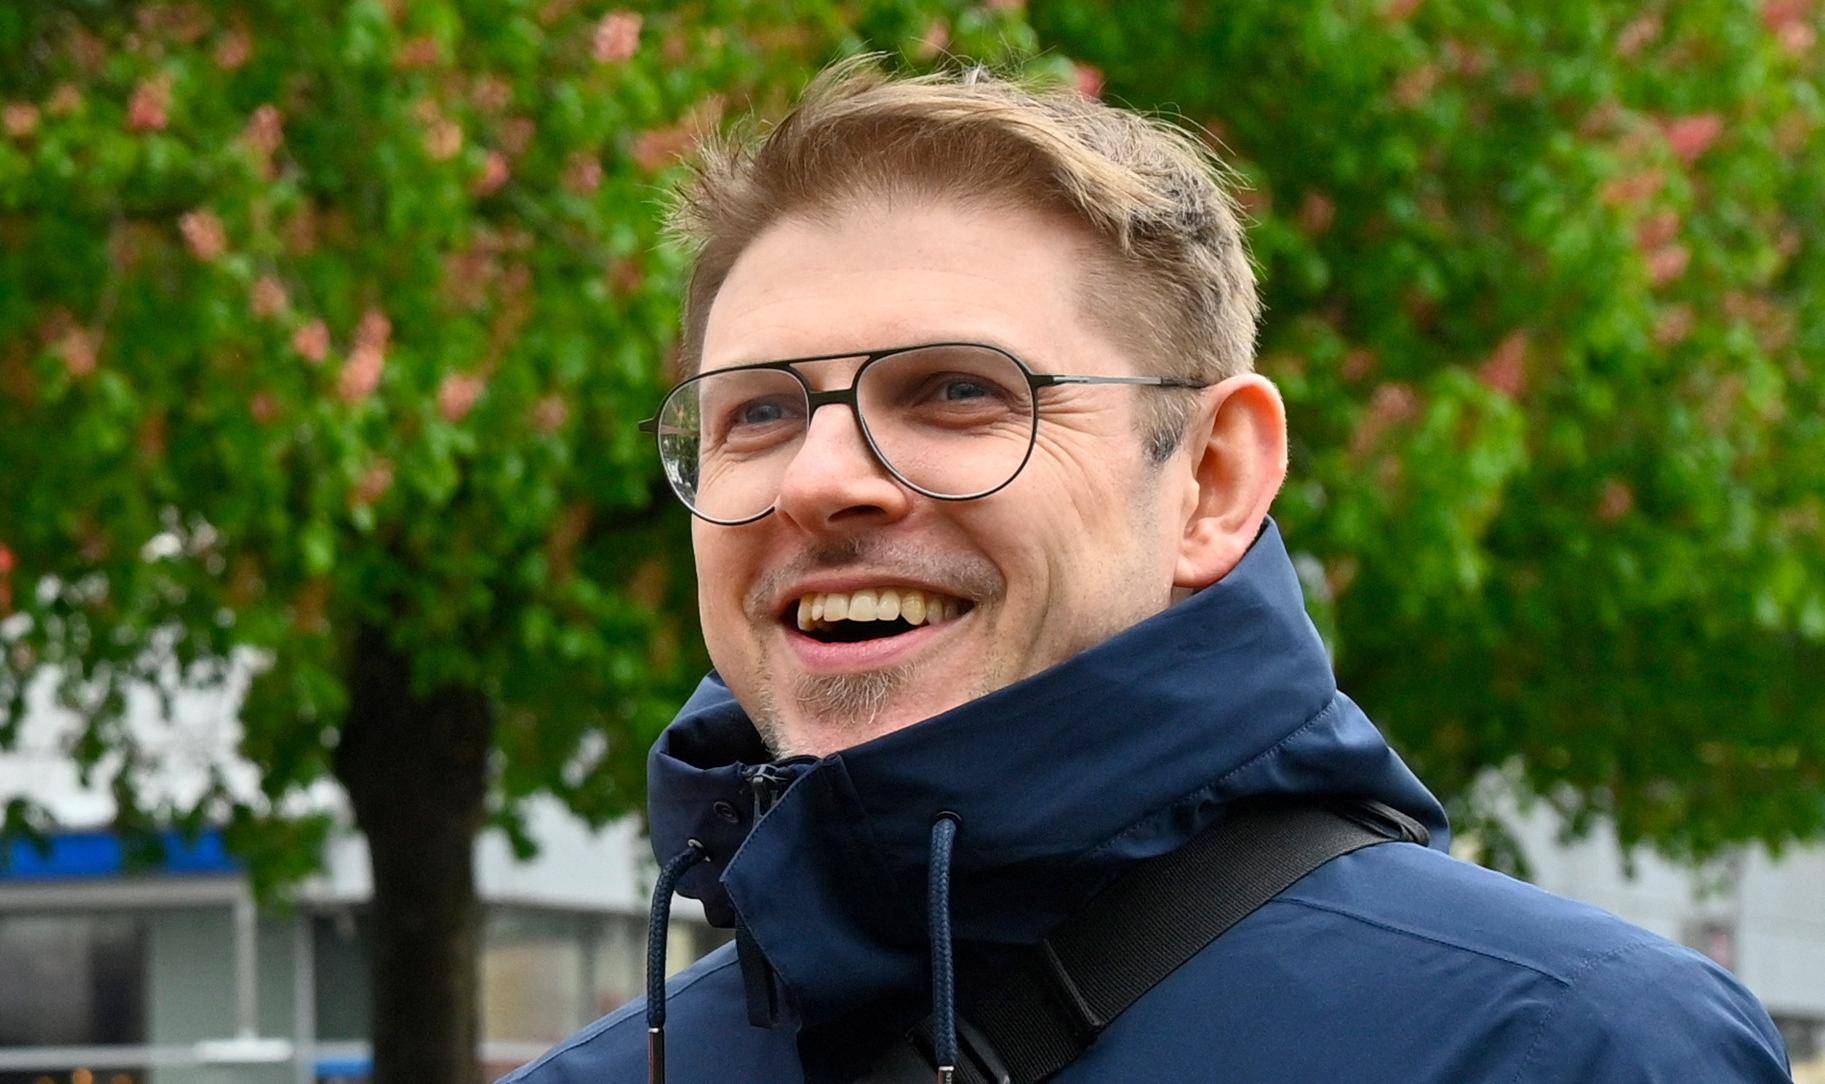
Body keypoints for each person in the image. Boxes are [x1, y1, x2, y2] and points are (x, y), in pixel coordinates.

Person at [502, 57, 1791, 1083]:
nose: (821, 479)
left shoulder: (1574, 1050)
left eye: (957, 391)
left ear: (1214, 482)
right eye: (757, 415)